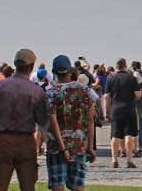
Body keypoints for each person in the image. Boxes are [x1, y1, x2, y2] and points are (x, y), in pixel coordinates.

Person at [0, 48, 49, 191]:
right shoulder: (36, 91)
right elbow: (42, 120)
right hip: (26, 141)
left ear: (15, 64)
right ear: (32, 67)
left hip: (2, 140)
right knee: (28, 185)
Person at [45, 55, 96, 191]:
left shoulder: (51, 93)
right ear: (70, 71)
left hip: (56, 146)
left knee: (58, 185)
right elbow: (90, 119)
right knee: (77, 186)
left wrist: (63, 148)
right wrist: (90, 146)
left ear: (54, 72)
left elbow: (53, 121)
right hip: (79, 144)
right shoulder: (84, 90)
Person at [105, 58, 141, 169]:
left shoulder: (111, 78)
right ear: (125, 66)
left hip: (115, 109)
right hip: (129, 109)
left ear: (116, 67)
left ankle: (114, 160)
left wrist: (107, 112)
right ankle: (129, 160)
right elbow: (138, 94)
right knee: (128, 134)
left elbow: (106, 97)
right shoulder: (131, 78)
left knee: (115, 135)